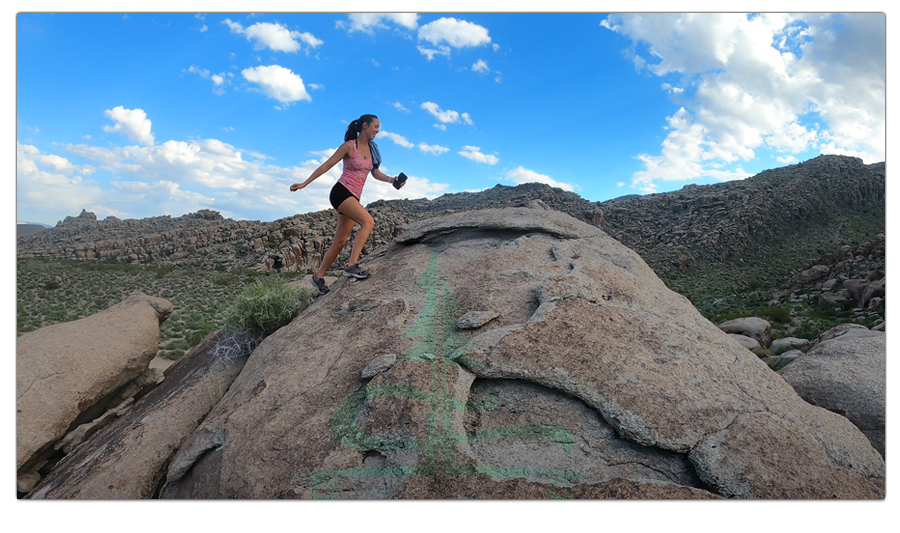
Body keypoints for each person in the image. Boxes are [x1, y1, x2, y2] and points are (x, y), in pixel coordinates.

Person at [290, 114, 405, 295]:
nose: (377, 131)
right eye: (375, 127)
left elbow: (375, 173)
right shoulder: (349, 146)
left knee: (340, 242)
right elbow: (327, 165)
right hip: (341, 192)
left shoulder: (373, 149)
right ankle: (351, 265)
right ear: (365, 126)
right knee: (368, 222)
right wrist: (305, 183)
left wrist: (392, 180)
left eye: (378, 128)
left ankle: (318, 277)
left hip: (354, 197)